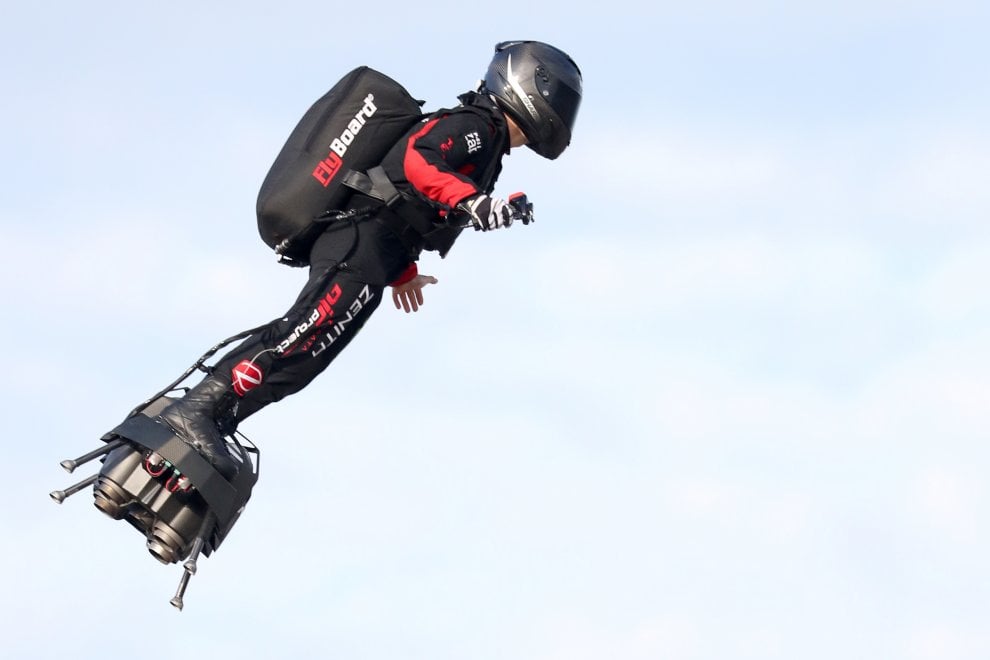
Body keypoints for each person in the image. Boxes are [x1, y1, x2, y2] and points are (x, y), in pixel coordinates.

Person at [157, 41, 583, 479]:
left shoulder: (490, 147)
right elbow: (417, 162)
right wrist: (474, 201)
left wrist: (405, 271)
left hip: (376, 255)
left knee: (306, 359)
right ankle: (196, 410)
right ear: (531, 84)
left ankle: (218, 420)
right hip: (356, 239)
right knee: (304, 331)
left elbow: (412, 205)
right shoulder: (476, 125)